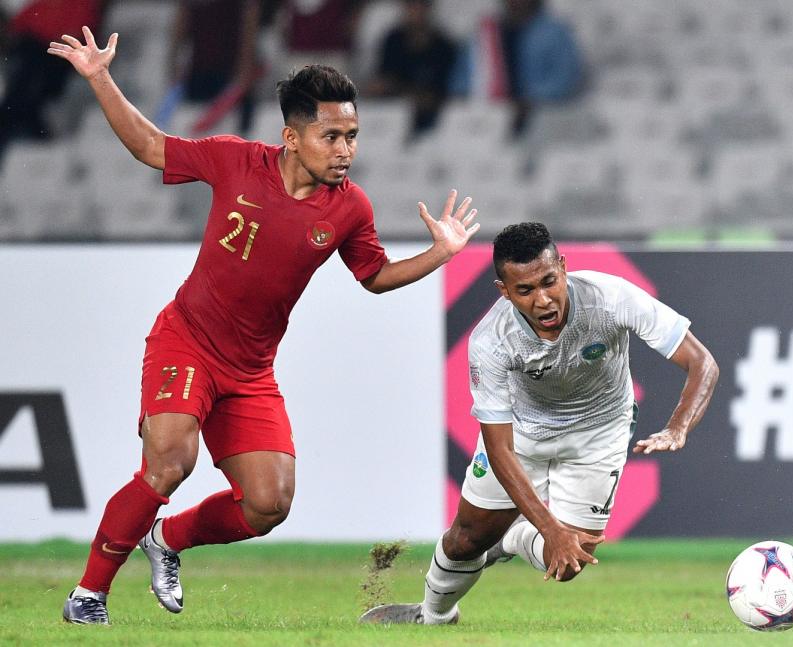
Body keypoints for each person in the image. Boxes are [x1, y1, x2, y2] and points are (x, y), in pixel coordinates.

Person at [48, 26, 480, 625]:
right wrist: (100, 77)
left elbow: (375, 276)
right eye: (331, 137)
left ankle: (166, 540)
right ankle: (88, 595)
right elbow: (151, 147)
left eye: (352, 136)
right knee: (170, 462)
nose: (345, 150)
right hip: (186, 339)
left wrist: (441, 253)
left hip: (250, 370)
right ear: (291, 137)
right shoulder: (235, 160)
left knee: (269, 504)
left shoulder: (350, 207)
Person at [360, 222, 718, 625]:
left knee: (571, 560)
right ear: (504, 290)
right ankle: (433, 617)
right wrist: (548, 527)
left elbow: (702, 362)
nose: (544, 300)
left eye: (549, 281)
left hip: (599, 432)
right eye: (525, 291)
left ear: (563, 268)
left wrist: (678, 427)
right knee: (465, 541)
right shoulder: (491, 341)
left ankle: (509, 538)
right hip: (524, 433)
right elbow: (499, 449)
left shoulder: (611, 297)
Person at [449, 0, 583, 135]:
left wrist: (530, 100)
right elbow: (462, 78)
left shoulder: (555, 32)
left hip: (542, 119)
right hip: (486, 120)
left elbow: (565, 79)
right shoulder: (486, 33)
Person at [0, 0, 109, 161]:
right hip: (37, 44)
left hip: (47, 48)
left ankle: (32, 131)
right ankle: (31, 131)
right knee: (21, 97)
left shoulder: (83, 7)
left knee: (25, 97)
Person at [166, 0, 262, 134]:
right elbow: (181, 22)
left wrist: (245, 67)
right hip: (200, 71)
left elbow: (249, 25)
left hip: (228, 73)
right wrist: (173, 60)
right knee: (196, 129)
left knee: (227, 132)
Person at [365, 0, 457, 139]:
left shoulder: (443, 46)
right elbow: (382, 80)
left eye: (419, 7)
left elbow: (440, 94)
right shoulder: (393, 40)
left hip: (430, 119)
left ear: (428, 9)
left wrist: (405, 92)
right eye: (411, 7)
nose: (415, 12)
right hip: (392, 113)